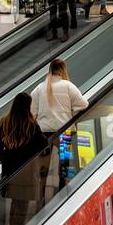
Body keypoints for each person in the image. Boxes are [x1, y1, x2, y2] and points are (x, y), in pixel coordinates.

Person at [0, 93, 49, 225]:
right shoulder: (31, 125)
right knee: (22, 202)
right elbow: (43, 144)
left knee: (15, 199)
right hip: (27, 169)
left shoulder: (4, 121)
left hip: (10, 170)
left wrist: (5, 160)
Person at [31, 58, 88, 186]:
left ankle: (42, 193)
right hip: (65, 130)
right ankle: (63, 190)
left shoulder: (39, 88)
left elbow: (31, 112)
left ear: (49, 70)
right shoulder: (68, 86)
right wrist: (70, 117)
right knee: (65, 164)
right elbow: (83, 105)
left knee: (44, 165)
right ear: (63, 70)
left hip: (44, 133)